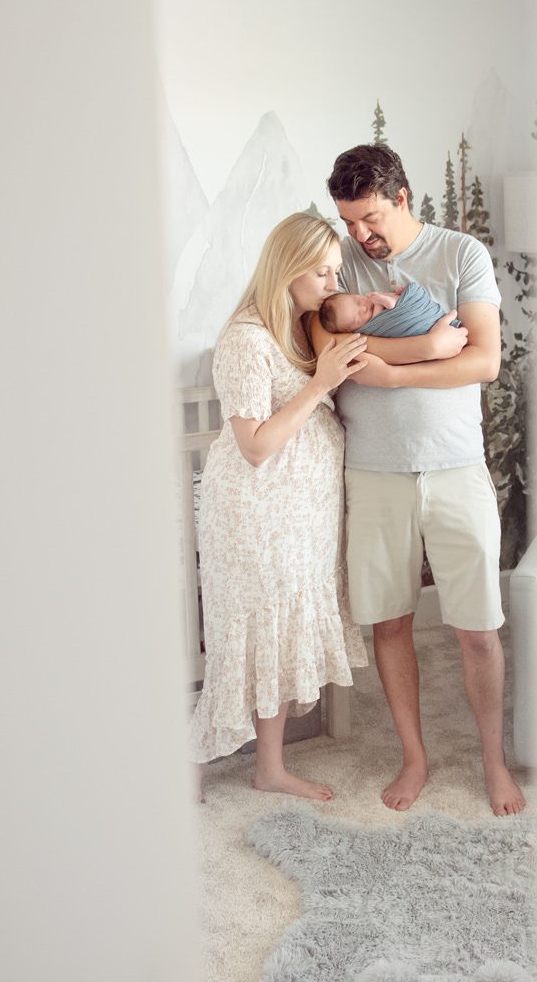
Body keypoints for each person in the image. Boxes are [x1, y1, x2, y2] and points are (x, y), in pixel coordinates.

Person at [310, 144, 525, 817]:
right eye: (348, 220)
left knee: (478, 629)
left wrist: (394, 371)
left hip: (456, 466)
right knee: (392, 623)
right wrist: (430, 349)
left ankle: (494, 762)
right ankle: (415, 757)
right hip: (373, 473)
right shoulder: (337, 262)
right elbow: (332, 356)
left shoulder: (461, 255)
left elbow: (485, 361)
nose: (358, 236)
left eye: (369, 218)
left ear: (402, 197)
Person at [189, 212, 368, 803]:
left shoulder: (302, 328)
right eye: (320, 272)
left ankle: (270, 768)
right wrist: (321, 384)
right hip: (256, 514)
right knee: (252, 629)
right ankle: (185, 764)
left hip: (303, 518)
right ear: (286, 269)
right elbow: (256, 446)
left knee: (283, 634)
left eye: (335, 272)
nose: (331, 285)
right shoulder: (246, 339)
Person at [318, 281, 462, 337]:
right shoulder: (370, 327)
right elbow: (392, 309)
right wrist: (386, 300)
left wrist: (403, 295)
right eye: (356, 317)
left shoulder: (370, 297)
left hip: (422, 314)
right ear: (351, 331)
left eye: (356, 301)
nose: (362, 308)